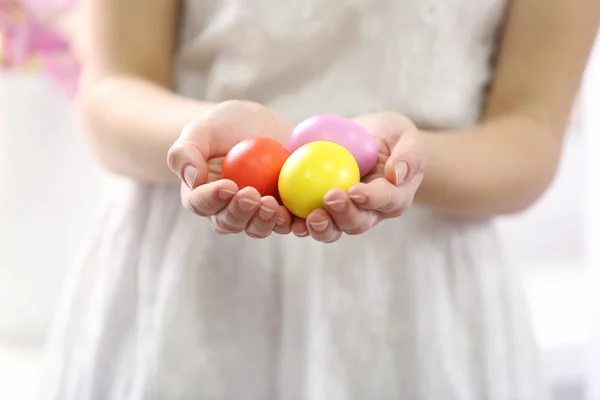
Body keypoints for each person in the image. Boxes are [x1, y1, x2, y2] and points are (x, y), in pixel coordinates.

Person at [36, 0, 599, 399]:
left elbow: (531, 131)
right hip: (186, 279)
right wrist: (204, 134)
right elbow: (111, 90)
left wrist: (411, 161)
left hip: (418, 297)